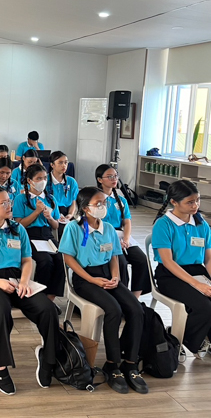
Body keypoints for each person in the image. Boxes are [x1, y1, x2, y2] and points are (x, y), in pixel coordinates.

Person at [0, 187, 58, 395]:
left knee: (47, 309)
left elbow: (26, 259)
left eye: (10, 201)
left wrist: (24, 281)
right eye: (3, 203)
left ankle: (49, 359)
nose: (9, 206)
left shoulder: (17, 228)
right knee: (1, 311)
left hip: (17, 279)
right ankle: (1, 367)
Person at [59, 187, 147, 394]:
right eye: (97, 204)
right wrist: (92, 280)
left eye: (104, 203)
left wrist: (115, 276)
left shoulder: (107, 228)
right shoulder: (74, 228)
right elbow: (68, 258)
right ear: (84, 208)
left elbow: (115, 255)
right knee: (113, 310)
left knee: (136, 309)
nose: (102, 207)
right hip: (85, 278)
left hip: (108, 275)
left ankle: (130, 362)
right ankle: (112, 364)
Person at [152, 180, 211, 356]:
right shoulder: (163, 225)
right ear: (174, 202)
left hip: (197, 271)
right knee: (204, 306)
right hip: (170, 275)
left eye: (197, 200)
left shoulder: (202, 225)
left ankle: (204, 338)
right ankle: (180, 341)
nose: (196, 205)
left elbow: (208, 259)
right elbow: (168, 262)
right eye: (190, 202)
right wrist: (197, 285)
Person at [96, 164, 150, 297]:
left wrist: (125, 239)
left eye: (115, 176)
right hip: (103, 236)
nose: (114, 179)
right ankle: (123, 297)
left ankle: (135, 297)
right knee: (121, 263)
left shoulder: (121, 200)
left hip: (120, 235)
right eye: (109, 177)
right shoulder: (96, 199)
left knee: (142, 260)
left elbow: (127, 221)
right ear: (100, 180)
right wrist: (114, 241)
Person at [12, 164, 64, 303]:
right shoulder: (21, 199)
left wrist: (49, 217)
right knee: (45, 261)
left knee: (61, 259)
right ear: (30, 181)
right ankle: (39, 296)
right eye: (38, 178)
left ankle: (50, 298)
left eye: (45, 178)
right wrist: (36, 212)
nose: (43, 181)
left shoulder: (50, 199)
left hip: (47, 235)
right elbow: (19, 224)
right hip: (29, 235)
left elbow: (56, 225)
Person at [47, 151, 79, 238]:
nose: (64, 165)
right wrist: (55, 215)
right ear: (52, 165)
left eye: (66, 162)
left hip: (67, 212)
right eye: (60, 163)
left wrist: (70, 215)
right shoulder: (45, 180)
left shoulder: (71, 181)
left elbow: (73, 202)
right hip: (51, 211)